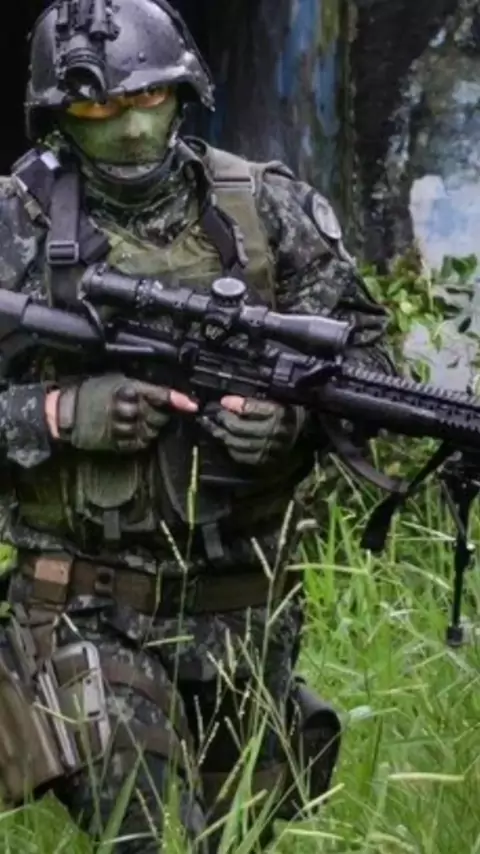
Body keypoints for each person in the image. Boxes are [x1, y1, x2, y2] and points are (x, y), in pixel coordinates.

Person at [0, 0, 395, 851]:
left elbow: (371, 364)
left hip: (246, 615)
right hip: (82, 608)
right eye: (99, 108)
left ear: (184, 93)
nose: (132, 128)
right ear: (60, 114)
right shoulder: (14, 226)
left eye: (149, 98)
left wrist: (295, 418)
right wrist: (60, 412)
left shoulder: (266, 207)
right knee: (151, 836)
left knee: (236, 836)